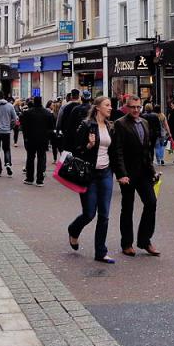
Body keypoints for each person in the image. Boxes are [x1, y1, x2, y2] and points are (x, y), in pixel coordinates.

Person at [67, 95, 117, 263]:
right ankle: (73, 229)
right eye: (107, 105)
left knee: (104, 215)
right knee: (89, 213)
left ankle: (101, 252)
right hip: (90, 175)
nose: (110, 108)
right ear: (98, 108)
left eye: (111, 105)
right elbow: (76, 150)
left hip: (106, 173)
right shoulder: (87, 125)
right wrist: (88, 145)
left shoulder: (110, 126)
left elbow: (114, 152)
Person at [112, 95, 161, 257]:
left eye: (138, 107)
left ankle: (145, 240)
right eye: (132, 107)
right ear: (126, 107)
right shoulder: (120, 124)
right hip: (128, 174)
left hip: (144, 172)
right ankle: (127, 243)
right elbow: (117, 151)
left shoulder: (145, 122)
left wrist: (153, 172)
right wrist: (121, 174)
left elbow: (147, 150)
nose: (135, 110)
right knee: (127, 207)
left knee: (151, 203)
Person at [19, 95, 54, 185]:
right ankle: (40, 179)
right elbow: (51, 128)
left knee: (30, 158)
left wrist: (26, 137)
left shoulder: (28, 113)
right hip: (43, 139)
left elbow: (24, 127)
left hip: (31, 139)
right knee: (41, 158)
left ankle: (30, 178)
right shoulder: (47, 113)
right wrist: (48, 137)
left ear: (34, 102)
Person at [54, 89, 82, 162]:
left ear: (71, 96)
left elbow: (59, 121)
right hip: (79, 135)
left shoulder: (65, 107)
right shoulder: (81, 107)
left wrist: (57, 132)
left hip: (67, 134)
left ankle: (64, 169)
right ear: (78, 96)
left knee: (66, 154)